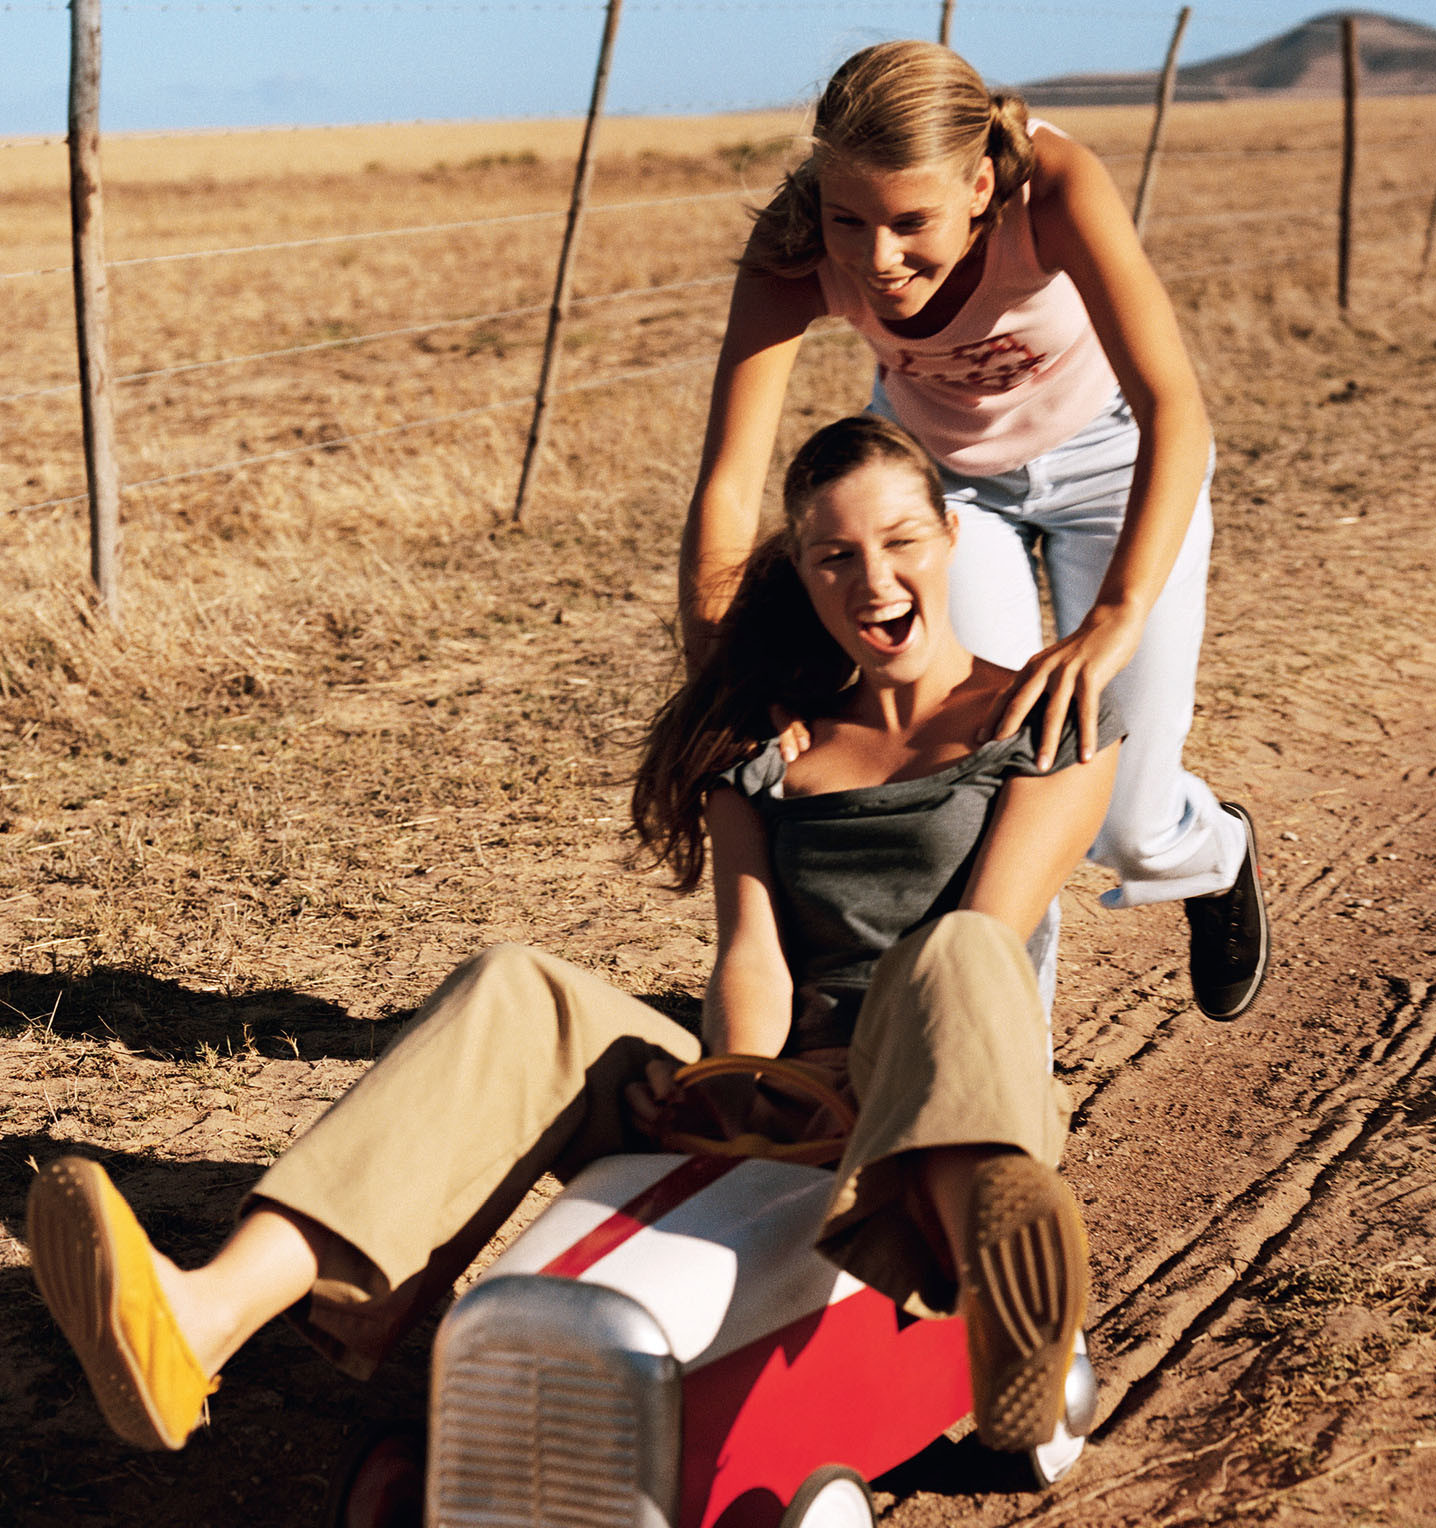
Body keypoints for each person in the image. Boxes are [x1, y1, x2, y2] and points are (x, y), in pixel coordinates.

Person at [26, 415, 1121, 1458]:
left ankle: (999, 1285)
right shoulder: (767, 751)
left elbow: (988, 934)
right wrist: (731, 1091)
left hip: (943, 1090)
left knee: (953, 953)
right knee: (517, 987)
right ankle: (206, 1316)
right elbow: (750, 954)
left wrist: (829, 1087)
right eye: (835, 556)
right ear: (802, 572)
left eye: (900, 541)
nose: (873, 579)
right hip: (782, 1089)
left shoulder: (1047, 723)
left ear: (952, 537)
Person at [682, 40, 1271, 1022]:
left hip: (1114, 462)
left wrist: (1115, 618)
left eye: (910, 223)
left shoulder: (1052, 189)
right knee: (978, 787)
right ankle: (988, 1070)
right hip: (949, 487)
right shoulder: (793, 248)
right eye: (848, 219)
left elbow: (1174, 407)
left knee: (1124, 821)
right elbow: (728, 484)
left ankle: (1210, 853)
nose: (875, 259)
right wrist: (723, 683)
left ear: (979, 187)